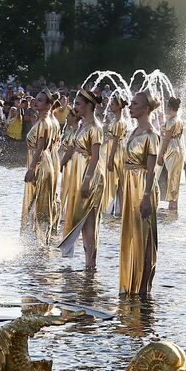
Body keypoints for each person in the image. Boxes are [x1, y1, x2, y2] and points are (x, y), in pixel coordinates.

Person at [119, 91, 162, 296]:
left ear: (146, 108)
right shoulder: (135, 131)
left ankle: (143, 288)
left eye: (134, 103)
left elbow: (152, 169)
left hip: (142, 187)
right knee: (131, 234)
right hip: (130, 185)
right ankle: (130, 284)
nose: (130, 106)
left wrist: (146, 196)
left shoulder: (151, 135)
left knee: (144, 237)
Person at [58, 87, 105, 269]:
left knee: (90, 222)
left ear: (89, 105)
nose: (75, 107)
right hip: (80, 173)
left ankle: (91, 265)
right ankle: (88, 264)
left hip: (90, 176)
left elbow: (95, 157)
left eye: (78, 104)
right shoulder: (83, 125)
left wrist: (86, 181)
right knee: (83, 222)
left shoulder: (95, 127)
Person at [22, 91, 62, 244]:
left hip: (41, 165)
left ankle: (39, 242)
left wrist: (31, 169)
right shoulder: (50, 121)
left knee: (39, 204)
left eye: (40, 100)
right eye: (36, 99)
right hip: (47, 163)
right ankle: (43, 239)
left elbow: (40, 148)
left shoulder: (44, 122)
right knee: (42, 203)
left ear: (47, 105)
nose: (35, 102)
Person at [103, 91, 128, 218]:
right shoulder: (118, 120)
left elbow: (116, 141)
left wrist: (110, 159)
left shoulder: (119, 122)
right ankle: (119, 209)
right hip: (118, 151)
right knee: (119, 183)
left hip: (116, 152)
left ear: (119, 107)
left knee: (113, 181)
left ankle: (110, 209)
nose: (110, 106)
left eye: (112, 104)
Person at [158, 96, 185, 211]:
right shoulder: (179, 120)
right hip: (179, 149)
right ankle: (174, 205)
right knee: (175, 177)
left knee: (171, 177)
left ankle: (172, 207)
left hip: (171, 150)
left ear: (169, 107)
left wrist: (160, 154)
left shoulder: (170, 122)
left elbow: (166, 139)